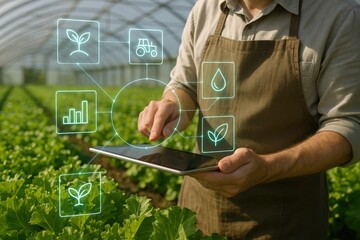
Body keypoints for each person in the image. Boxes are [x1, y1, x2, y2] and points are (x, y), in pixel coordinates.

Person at [138, 0, 360, 238]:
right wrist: (173, 105)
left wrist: (267, 168)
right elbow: (186, 84)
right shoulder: (206, 8)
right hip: (200, 210)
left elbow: (347, 125)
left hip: (284, 220)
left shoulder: (339, 15)